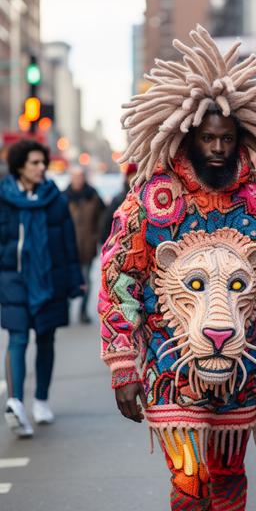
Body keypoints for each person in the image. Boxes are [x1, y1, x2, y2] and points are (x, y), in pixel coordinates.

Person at [99, 25, 256, 510]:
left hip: (243, 358)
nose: (217, 148)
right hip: (170, 365)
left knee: (230, 473)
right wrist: (123, 365)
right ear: (188, 135)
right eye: (208, 137)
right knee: (189, 478)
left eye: (227, 138)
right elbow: (118, 279)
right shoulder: (150, 197)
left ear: (242, 138)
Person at [0, 140, 84, 438]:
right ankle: (15, 403)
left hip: (50, 278)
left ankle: (41, 400)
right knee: (18, 338)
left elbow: (67, 244)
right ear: (20, 165)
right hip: (14, 279)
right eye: (34, 162)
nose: (40, 168)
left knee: (46, 338)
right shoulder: (4, 198)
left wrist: (76, 279)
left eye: (42, 163)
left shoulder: (55, 199)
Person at [65, 166, 105, 323]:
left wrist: (97, 236)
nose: (78, 180)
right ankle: (66, 311)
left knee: (86, 281)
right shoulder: (64, 196)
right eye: (75, 177)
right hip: (68, 247)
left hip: (87, 246)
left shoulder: (93, 195)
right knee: (68, 281)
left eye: (80, 176)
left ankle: (83, 312)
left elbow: (102, 217)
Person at [100, 162, 137, 244]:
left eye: (137, 176)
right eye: (132, 176)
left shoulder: (146, 198)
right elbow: (107, 223)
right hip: (120, 245)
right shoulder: (118, 199)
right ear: (127, 178)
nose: (134, 179)